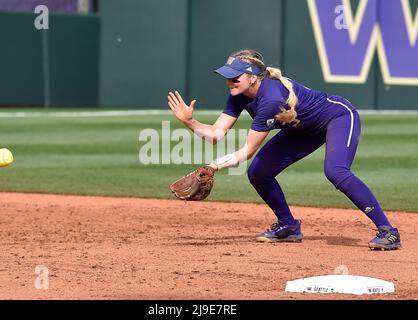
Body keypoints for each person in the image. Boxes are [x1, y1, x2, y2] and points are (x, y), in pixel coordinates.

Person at [167, 49, 401, 250]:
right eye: (228, 77)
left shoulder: (270, 99)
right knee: (259, 172)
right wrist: (190, 122)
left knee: (336, 171)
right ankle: (288, 226)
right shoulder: (238, 95)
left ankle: (388, 231)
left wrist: (213, 166)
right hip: (302, 130)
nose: (230, 82)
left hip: (338, 117)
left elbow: (247, 151)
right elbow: (216, 134)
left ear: (253, 78)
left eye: (235, 77)